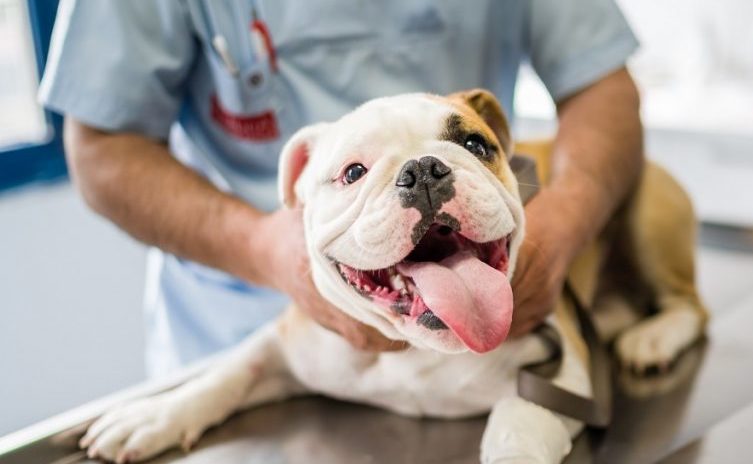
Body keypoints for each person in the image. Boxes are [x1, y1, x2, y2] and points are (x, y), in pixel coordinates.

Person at [39, 1, 643, 376]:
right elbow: (99, 146)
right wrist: (265, 250)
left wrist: (562, 223)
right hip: (240, 333)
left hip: (480, 313)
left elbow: (600, 83)